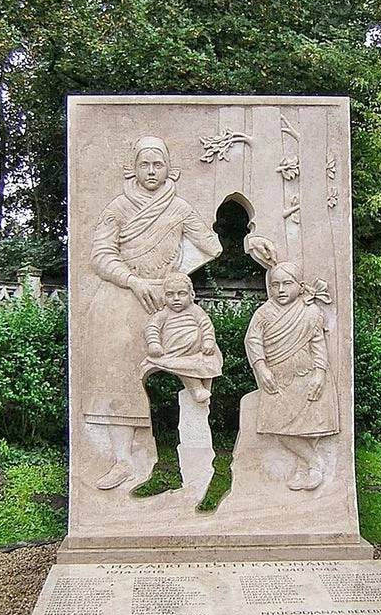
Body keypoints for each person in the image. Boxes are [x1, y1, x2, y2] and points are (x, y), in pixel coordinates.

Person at [87, 136, 222, 489]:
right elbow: (100, 255)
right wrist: (133, 280)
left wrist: (173, 276)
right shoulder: (117, 207)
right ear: (132, 168)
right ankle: (122, 460)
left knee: (192, 362)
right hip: (121, 300)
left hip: (168, 300)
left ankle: (194, 471)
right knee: (120, 377)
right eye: (144, 164)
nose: (151, 171)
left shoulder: (179, 208)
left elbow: (211, 245)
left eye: (157, 164)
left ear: (168, 169)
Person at [244, 261, 339, 490]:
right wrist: (261, 368)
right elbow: (252, 340)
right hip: (276, 381)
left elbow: (318, 345)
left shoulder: (311, 312)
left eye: (287, 283)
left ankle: (303, 468)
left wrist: (320, 373)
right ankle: (314, 461)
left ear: (300, 285)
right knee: (279, 427)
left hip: (306, 377)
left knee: (310, 425)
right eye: (275, 285)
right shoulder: (264, 313)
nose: (281, 290)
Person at [140, 272, 223, 403]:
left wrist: (208, 341)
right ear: (163, 297)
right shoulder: (163, 314)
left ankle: (204, 390)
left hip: (197, 352)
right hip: (173, 353)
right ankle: (196, 389)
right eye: (170, 294)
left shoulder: (196, 310)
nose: (176, 298)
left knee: (205, 364)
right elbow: (151, 328)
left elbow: (206, 326)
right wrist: (154, 344)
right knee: (182, 367)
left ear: (192, 295)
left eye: (182, 293)